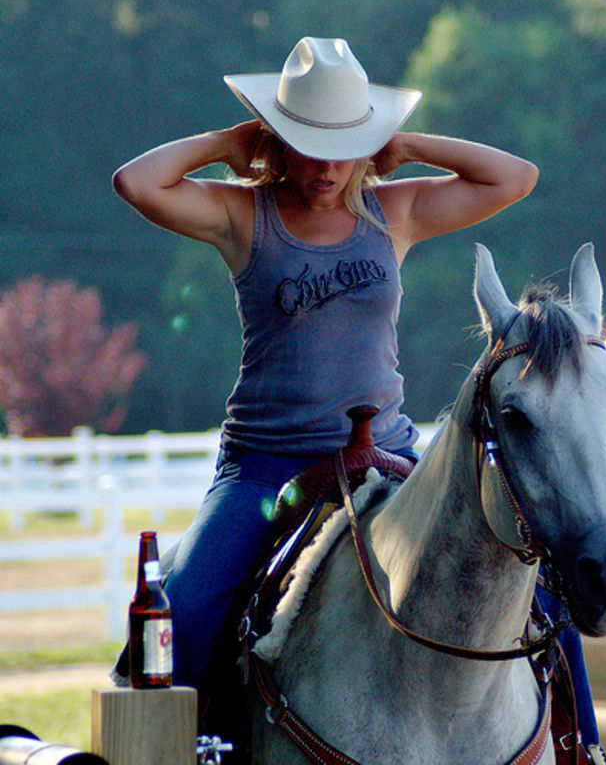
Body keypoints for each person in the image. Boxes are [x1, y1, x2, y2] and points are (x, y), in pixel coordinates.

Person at [111, 37, 538, 694]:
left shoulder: (395, 211)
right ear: (277, 140)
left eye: (344, 148)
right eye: (307, 145)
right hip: (268, 467)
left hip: (391, 456)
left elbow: (516, 178)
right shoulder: (241, 215)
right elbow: (137, 182)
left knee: (532, 595)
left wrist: (411, 145)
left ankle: (576, 746)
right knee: (186, 611)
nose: (326, 168)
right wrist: (228, 144)